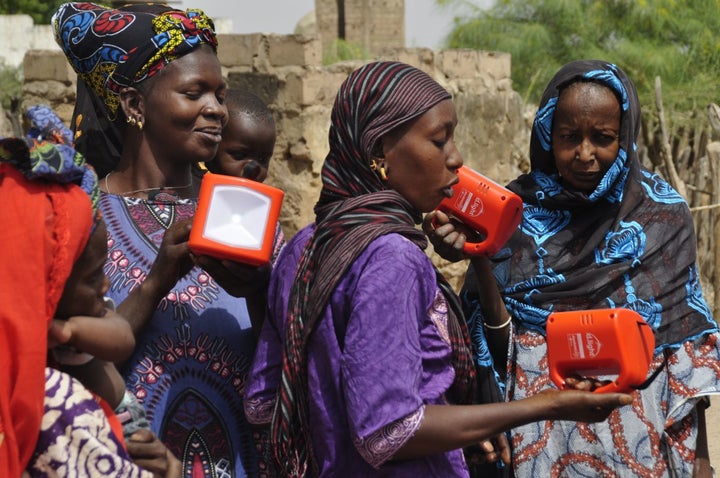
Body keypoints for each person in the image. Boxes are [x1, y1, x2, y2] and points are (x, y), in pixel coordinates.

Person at [244, 60, 633, 478]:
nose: (457, 158)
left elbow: (264, 403)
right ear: (379, 154)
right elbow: (389, 430)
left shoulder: (304, 245)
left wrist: (458, 430)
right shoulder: (391, 257)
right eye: (439, 141)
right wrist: (551, 404)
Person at [427, 59, 720, 477]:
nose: (585, 155)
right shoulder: (512, 212)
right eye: (569, 137)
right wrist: (480, 254)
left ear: (625, 135)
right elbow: (491, 345)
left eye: (602, 138)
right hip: (539, 441)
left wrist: (701, 465)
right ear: (548, 135)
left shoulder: (663, 218)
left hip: (638, 441)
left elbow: (684, 354)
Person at [53, 3, 271, 476]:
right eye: (194, 93)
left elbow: (281, 362)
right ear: (134, 106)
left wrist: (259, 291)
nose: (215, 109)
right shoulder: (86, 220)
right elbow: (71, 356)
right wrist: (158, 280)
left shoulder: (243, 211)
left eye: (219, 94)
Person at [0, 136, 179, 477]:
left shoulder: (76, 326)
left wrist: (68, 331)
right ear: (46, 281)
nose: (106, 285)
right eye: (93, 275)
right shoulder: (57, 405)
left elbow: (122, 337)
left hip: (128, 422)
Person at [202, 88, 277, 183]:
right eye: (240, 155)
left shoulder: (257, 197)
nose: (253, 169)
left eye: (263, 159)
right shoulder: (190, 194)